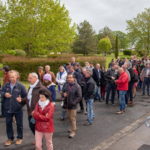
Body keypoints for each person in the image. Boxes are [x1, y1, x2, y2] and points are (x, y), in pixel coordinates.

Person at [2, 70, 27, 146]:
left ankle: (19, 138)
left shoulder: (21, 86)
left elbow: (26, 97)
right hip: (8, 108)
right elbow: (1, 92)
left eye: (13, 77)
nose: (11, 78)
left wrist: (21, 101)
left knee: (19, 124)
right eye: (10, 77)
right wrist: (4, 94)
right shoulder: (6, 85)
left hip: (18, 109)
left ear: (17, 76)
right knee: (8, 124)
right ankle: (10, 138)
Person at [62, 74, 82, 138]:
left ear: (73, 78)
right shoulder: (66, 85)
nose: (69, 79)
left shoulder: (77, 86)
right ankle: (72, 128)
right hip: (67, 104)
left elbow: (79, 97)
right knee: (69, 117)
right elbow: (63, 92)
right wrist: (63, 94)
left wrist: (74, 103)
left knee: (73, 118)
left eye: (70, 78)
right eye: (68, 78)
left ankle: (73, 131)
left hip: (73, 105)